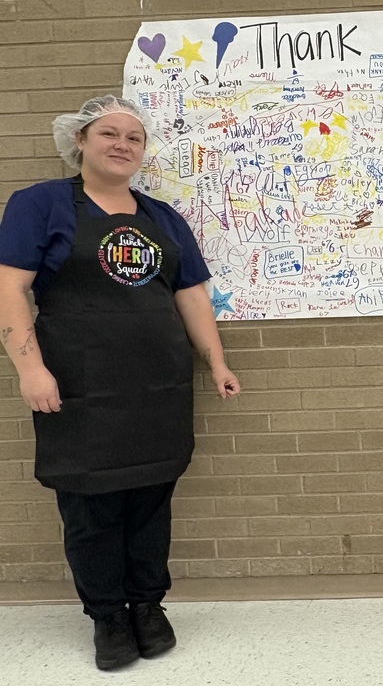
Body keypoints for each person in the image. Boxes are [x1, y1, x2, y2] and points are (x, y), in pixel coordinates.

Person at [0, 96, 241, 671]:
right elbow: (10, 291)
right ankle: (108, 615)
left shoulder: (162, 216)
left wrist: (216, 362)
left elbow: (190, 295)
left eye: (133, 138)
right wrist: (30, 369)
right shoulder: (39, 205)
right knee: (91, 507)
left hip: (157, 387)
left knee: (152, 501)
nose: (122, 145)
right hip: (80, 388)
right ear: (79, 141)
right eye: (109, 133)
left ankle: (148, 607)